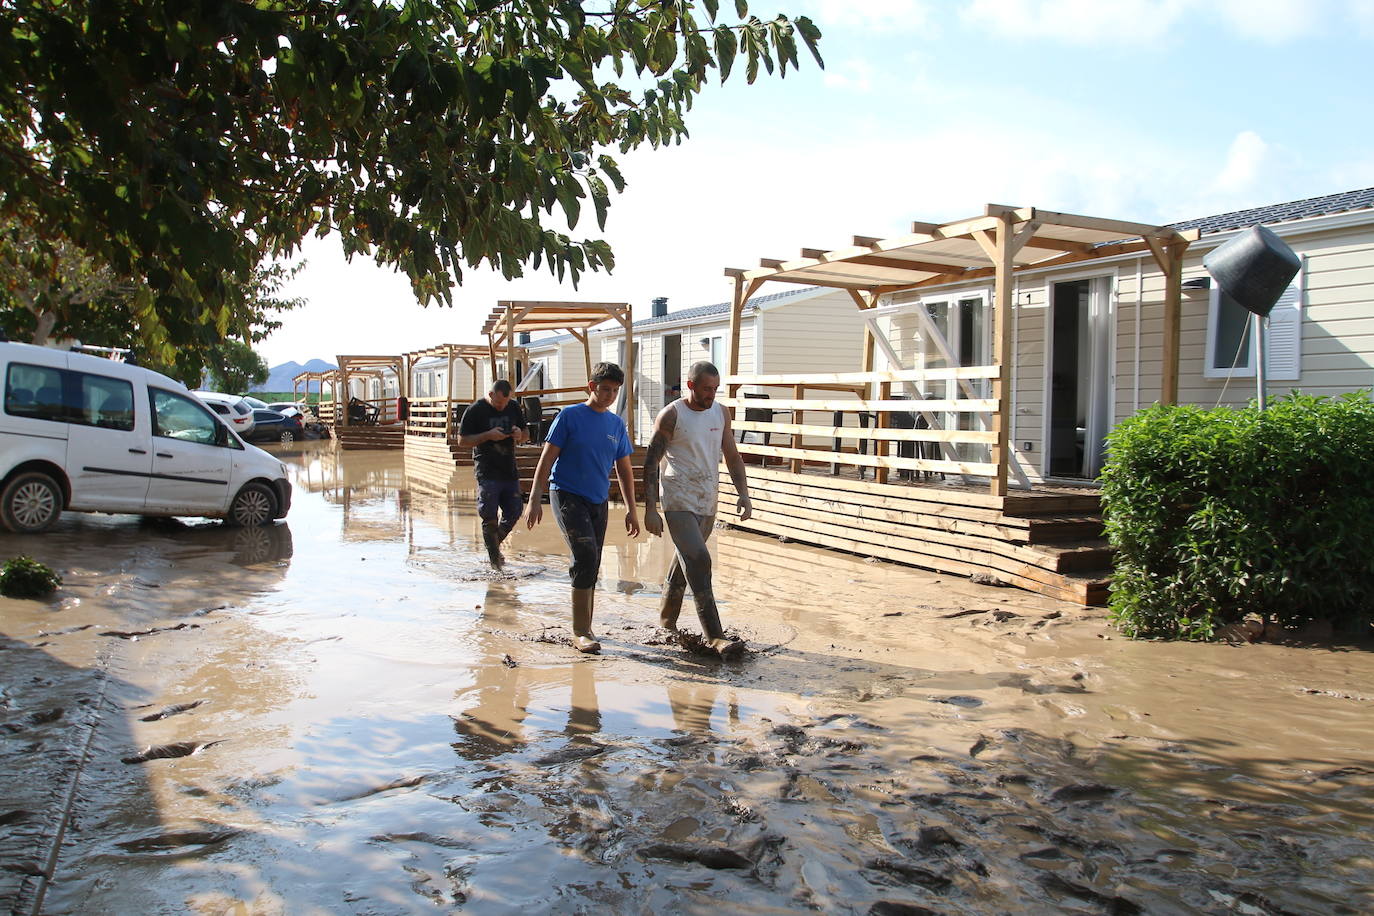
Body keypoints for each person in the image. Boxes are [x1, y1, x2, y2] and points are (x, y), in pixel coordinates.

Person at [525, 362, 641, 653]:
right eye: (604, 390)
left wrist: (631, 509)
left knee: (594, 560)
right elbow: (546, 459)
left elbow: (624, 469)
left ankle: (586, 627)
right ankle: (580, 632)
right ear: (591, 387)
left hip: (598, 499)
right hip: (566, 493)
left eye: (615, 391)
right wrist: (533, 500)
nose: (609, 396)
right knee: (585, 555)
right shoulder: (569, 416)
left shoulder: (616, 424)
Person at [642, 360, 751, 658]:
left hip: (707, 498)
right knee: (700, 560)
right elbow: (651, 463)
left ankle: (666, 621)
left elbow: (731, 454)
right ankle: (715, 635)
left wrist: (744, 493)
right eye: (706, 389)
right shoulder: (672, 415)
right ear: (690, 385)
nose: (711, 395)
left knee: (686, 561)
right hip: (677, 499)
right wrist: (650, 509)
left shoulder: (720, 412)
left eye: (715, 389)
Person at [458, 380, 529, 568]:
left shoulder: (513, 407)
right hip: (487, 468)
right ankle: (495, 562)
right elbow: (462, 440)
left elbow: (526, 433)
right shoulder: (475, 410)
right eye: (498, 403)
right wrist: (488, 435)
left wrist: (519, 434)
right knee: (488, 513)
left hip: (508, 468)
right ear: (490, 395)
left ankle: (493, 545)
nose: (502, 407)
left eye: (505, 403)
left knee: (514, 510)